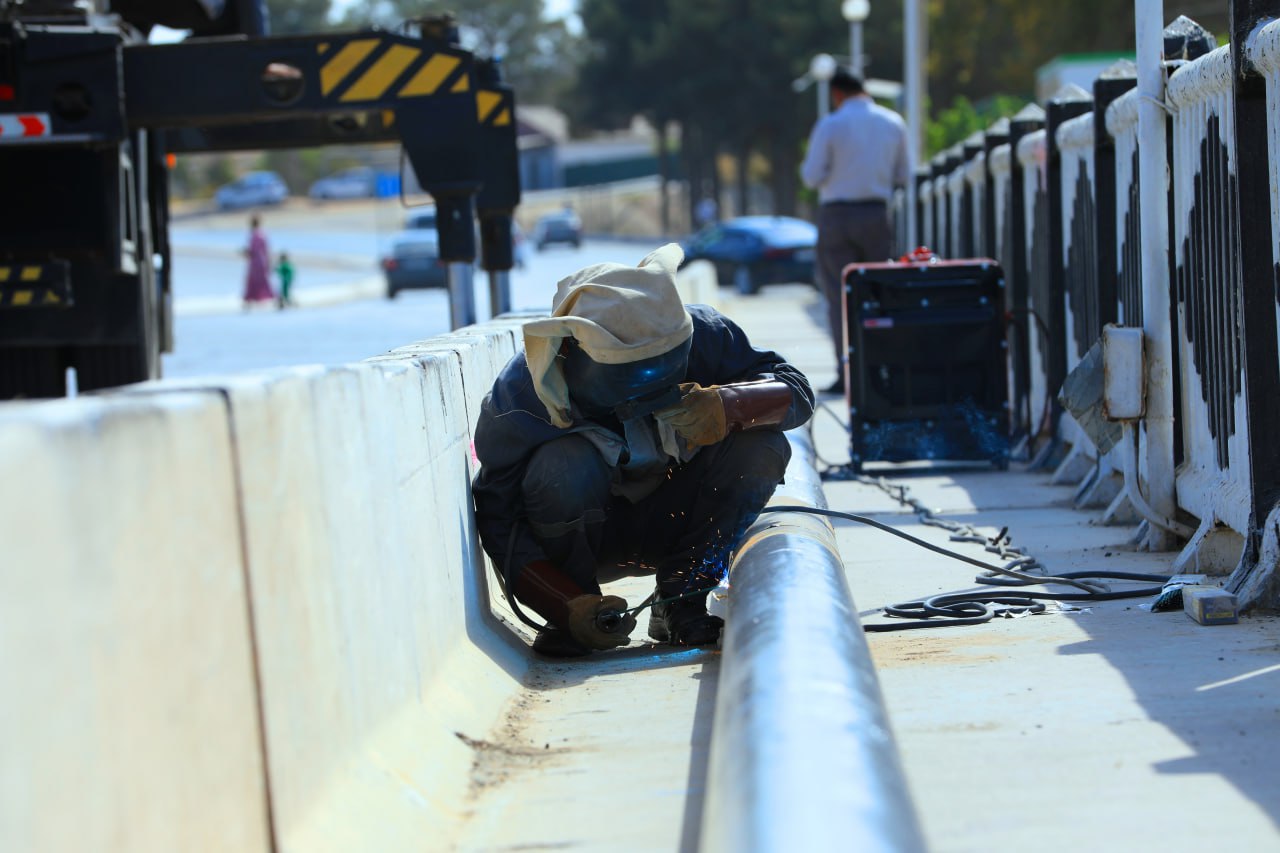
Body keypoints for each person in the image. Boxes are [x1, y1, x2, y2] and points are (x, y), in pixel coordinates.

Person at [472, 243, 814, 657]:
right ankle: (585, 617)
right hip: (590, 538)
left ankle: (682, 599)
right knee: (561, 467)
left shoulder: (702, 333)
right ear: (573, 354)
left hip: (680, 521)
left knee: (761, 447)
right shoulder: (519, 399)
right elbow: (497, 517)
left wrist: (729, 404)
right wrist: (562, 603)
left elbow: (796, 389)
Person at [800, 68, 909, 394]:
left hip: (836, 216)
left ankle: (846, 373)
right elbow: (904, 173)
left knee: (838, 296)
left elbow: (811, 176)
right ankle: (880, 370)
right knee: (878, 294)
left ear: (836, 94)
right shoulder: (893, 123)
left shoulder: (831, 124)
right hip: (877, 214)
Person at [241, 215, 276, 308]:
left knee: (255, 280)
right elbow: (265, 250)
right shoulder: (262, 234)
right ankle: (260, 299)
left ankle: (252, 300)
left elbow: (253, 251)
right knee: (262, 280)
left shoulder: (255, 235)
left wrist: (246, 253)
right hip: (260, 260)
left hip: (256, 261)